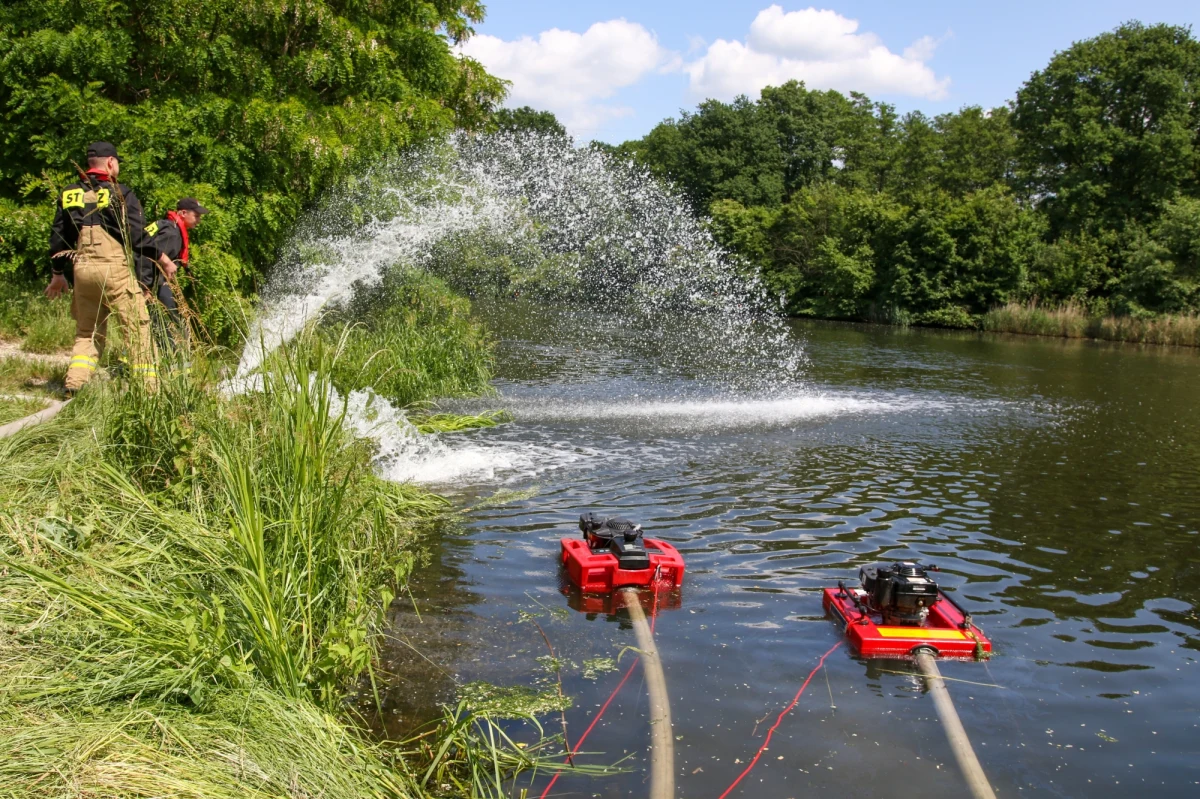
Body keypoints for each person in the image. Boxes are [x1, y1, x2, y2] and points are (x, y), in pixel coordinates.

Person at [46, 142, 156, 393]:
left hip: (82, 270)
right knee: (137, 330)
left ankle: (74, 386)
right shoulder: (121, 193)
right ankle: (149, 390)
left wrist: (57, 273)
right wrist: (144, 281)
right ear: (110, 163)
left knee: (87, 332)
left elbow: (57, 236)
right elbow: (139, 238)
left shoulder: (69, 193)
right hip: (114, 270)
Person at [142, 197, 209, 344]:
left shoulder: (169, 226)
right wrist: (144, 287)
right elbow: (146, 255)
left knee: (171, 315)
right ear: (183, 213)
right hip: (148, 282)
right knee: (167, 320)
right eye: (196, 216)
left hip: (155, 280)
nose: (199, 220)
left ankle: (174, 353)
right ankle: (175, 355)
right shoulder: (172, 233)